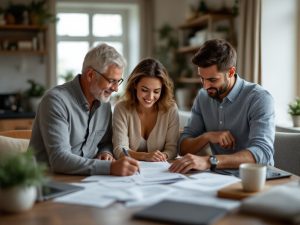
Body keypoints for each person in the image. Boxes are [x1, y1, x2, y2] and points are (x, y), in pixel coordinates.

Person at [29, 43, 139, 176]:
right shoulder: (55, 101)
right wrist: (109, 167)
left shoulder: (104, 103)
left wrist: (106, 153)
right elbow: (59, 160)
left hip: (86, 180)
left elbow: (106, 142)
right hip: (46, 182)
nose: (115, 88)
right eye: (111, 81)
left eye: (118, 81)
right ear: (91, 75)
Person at [169, 39, 275, 174]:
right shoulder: (203, 97)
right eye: (202, 78)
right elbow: (183, 147)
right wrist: (207, 136)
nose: (205, 86)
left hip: (256, 178)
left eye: (213, 80)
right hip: (217, 175)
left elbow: (263, 153)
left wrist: (210, 161)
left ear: (231, 72)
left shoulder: (259, 98)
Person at [112, 58, 179, 161]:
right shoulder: (121, 109)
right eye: (144, 90)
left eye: (156, 91)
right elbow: (119, 149)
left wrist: (162, 157)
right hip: (129, 171)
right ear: (135, 85)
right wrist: (145, 156)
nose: (150, 97)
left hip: (160, 170)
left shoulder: (171, 109)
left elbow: (172, 149)